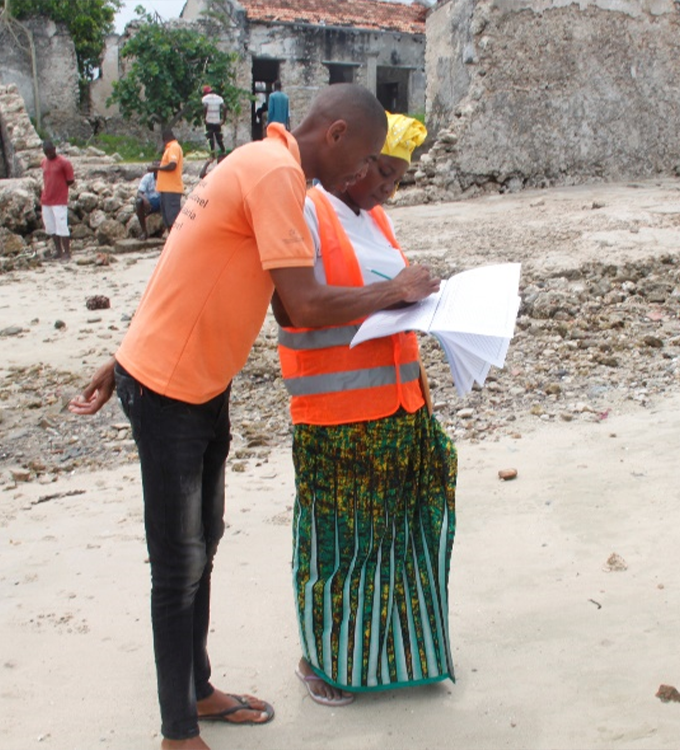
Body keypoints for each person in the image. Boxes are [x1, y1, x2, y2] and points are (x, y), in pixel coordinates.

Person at [68, 84, 440, 750]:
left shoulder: (252, 163)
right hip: (170, 390)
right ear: (334, 135)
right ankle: (177, 734)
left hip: (195, 382)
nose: (362, 175)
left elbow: (182, 264)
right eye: (362, 159)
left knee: (202, 546)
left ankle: (198, 690)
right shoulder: (276, 176)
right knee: (177, 564)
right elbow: (303, 305)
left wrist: (119, 356)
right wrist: (397, 289)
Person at [273, 113, 453, 707]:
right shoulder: (305, 209)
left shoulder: (377, 217)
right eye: (383, 173)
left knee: (393, 537)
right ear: (356, 158)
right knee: (337, 544)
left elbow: (389, 306)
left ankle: (386, 655)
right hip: (336, 420)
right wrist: (395, 291)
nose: (388, 189)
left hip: (398, 407)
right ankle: (320, 658)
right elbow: (298, 310)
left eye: (398, 177)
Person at [40, 139, 75, 260]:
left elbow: (70, 180)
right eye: (46, 153)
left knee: (62, 226)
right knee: (51, 227)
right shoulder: (44, 162)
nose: (49, 155)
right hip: (46, 199)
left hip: (59, 199)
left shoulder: (64, 163)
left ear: (54, 149)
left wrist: (60, 187)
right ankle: (58, 250)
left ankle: (67, 252)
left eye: (50, 152)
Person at [151, 129, 183, 234]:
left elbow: (172, 165)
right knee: (168, 220)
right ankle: (172, 243)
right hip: (166, 189)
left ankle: (177, 244)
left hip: (172, 190)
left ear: (165, 139)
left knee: (173, 220)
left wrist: (158, 168)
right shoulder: (170, 148)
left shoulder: (174, 147)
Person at [134, 170, 161, 239]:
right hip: (150, 201)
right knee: (139, 202)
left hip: (161, 200)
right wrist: (145, 200)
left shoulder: (165, 177)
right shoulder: (147, 177)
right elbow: (139, 193)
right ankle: (144, 231)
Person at [201, 85, 226, 154]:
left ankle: (212, 153)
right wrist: (223, 119)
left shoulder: (205, 98)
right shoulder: (219, 98)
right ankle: (223, 151)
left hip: (209, 120)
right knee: (218, 138)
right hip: (217, 121)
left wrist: (204, 117)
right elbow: (224, 107)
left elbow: (205, 106)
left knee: (210, 138)